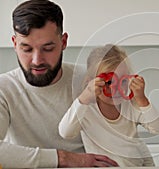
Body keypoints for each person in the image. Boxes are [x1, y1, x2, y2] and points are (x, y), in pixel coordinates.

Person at [0, 0, 118, 168]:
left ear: (63, 42)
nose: (37, 60)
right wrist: (63, 158)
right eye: (26, 49)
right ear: (14, 44)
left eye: (47, 48)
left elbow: (123, 136)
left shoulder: (91, 81)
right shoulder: (4, 88)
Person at [58, 44, 159, 167]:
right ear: (91, 82)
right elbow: (65, 132)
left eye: (123, 81)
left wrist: (142, 100)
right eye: (109, 81)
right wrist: (84, 98)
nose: (115, 88)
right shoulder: (86, 110)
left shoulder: (130, 106)